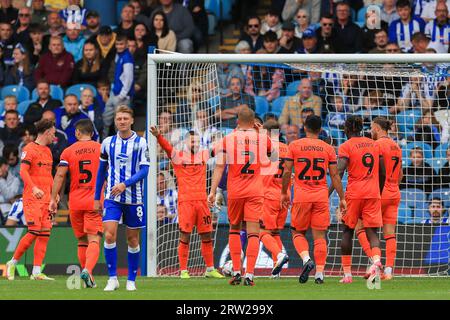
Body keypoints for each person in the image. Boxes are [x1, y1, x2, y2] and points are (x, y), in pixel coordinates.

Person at [208, 107, 272, 286]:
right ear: (254, 122)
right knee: (253, 233)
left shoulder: (228, 138)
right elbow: (273, 154)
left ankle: (236, 271)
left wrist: (212, 191)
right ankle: (250, 274)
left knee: (234, 230)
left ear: (237, 121)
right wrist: (261, 131)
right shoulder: (261, 137)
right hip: (255, 191)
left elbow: (219, 166)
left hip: (235, 191)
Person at [150, 126, 224, 279]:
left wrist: (234, 137)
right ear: (185, 142)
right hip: (185, 203)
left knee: (206, 235)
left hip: (202, 202)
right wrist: (158, 136)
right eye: (191, 141)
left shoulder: (204, 155)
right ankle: (183, 270)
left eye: (197, 141)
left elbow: (218, 148)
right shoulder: (178, 156)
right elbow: (167, 147)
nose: (194, 144)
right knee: (185, 235)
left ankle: (210, 268)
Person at [282, 115, 345, 284]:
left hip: (302, 196)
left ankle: (306, 259)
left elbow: (287, 171)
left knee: (297, 232)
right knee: (319, 236)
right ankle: (319, 273)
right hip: (321, 196)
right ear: (320, 129)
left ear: (304, 127)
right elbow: (335, 175)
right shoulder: (328, 148)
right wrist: (342, 198)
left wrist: (284, 192)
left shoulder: (294, 145)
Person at [94, 106, 150, 292]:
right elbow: (101, 171)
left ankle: (131, 280)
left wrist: (125, 184)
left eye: (125, 118)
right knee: (109, 234)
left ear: (132, 120)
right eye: (119, 119)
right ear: (115, 121)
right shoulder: (107, 143)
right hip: (112, 198)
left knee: (133, 239)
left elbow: (145, 170)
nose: (122, 121)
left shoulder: (141, 143)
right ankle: (112, 278)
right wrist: (96, 197)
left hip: (134, 198)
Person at [331, 116, 386, 285]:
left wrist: (332, 193)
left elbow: (338, 172)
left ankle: (347, 275)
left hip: (354, 193)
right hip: (373, 193)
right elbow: (383, 172)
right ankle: (376, 261)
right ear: (362, 128)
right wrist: (379, 191)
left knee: (347, 231)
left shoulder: (346, 146)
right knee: (373, 233)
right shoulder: (374, 144)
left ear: (347, 129)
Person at [50, 119, 102, 288]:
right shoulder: (101, 149)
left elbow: (59, 176)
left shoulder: (68, 151)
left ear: (77, 133)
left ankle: (88, 276)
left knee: (81, 240)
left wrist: (53, 197)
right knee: (94, 238)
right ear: (92, 133)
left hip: (75, 201)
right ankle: (87, 269)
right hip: (94, 201)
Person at [5, 118, 56, 281]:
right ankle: (12, 262)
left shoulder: (48, 151)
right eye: (53, 133)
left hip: (47, 198)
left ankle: (36, 272)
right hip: (32, 198)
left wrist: (54, 193)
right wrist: (34, 187)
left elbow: (49, 175)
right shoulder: (29, 148)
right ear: (47, 132)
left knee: (44, 234)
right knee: (33, 231)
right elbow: (23, 171)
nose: (54, 137)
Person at [364, 117, 403, 280]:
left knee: (362, 226)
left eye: (372, 128)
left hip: (380, 192)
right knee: (390, 233)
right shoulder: (397, 146)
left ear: (378, 129)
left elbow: (374, 169)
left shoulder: (377, 145)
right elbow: (401, 173)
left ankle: (375, 263)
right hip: (394, 192)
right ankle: (388, 270)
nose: (370, 131)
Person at [260, 119, 290, 277]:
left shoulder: (264, 149)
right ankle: (276, 271)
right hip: (285, 195)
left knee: (262, 232)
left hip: (268, 195)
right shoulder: (288, 148)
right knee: (275, 233)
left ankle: (279, 255)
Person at [103, 34, 134, 138]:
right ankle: (102, 144)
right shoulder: (118, 55)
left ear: (126, 45)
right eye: (117, 44)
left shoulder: (127, 57)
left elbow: (128, 78)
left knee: (121, 124)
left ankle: (121, 145)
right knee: (106, 119)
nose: (119, 46)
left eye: (121, 44)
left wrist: (122, 94)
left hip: (122, 96)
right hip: (114, 92)